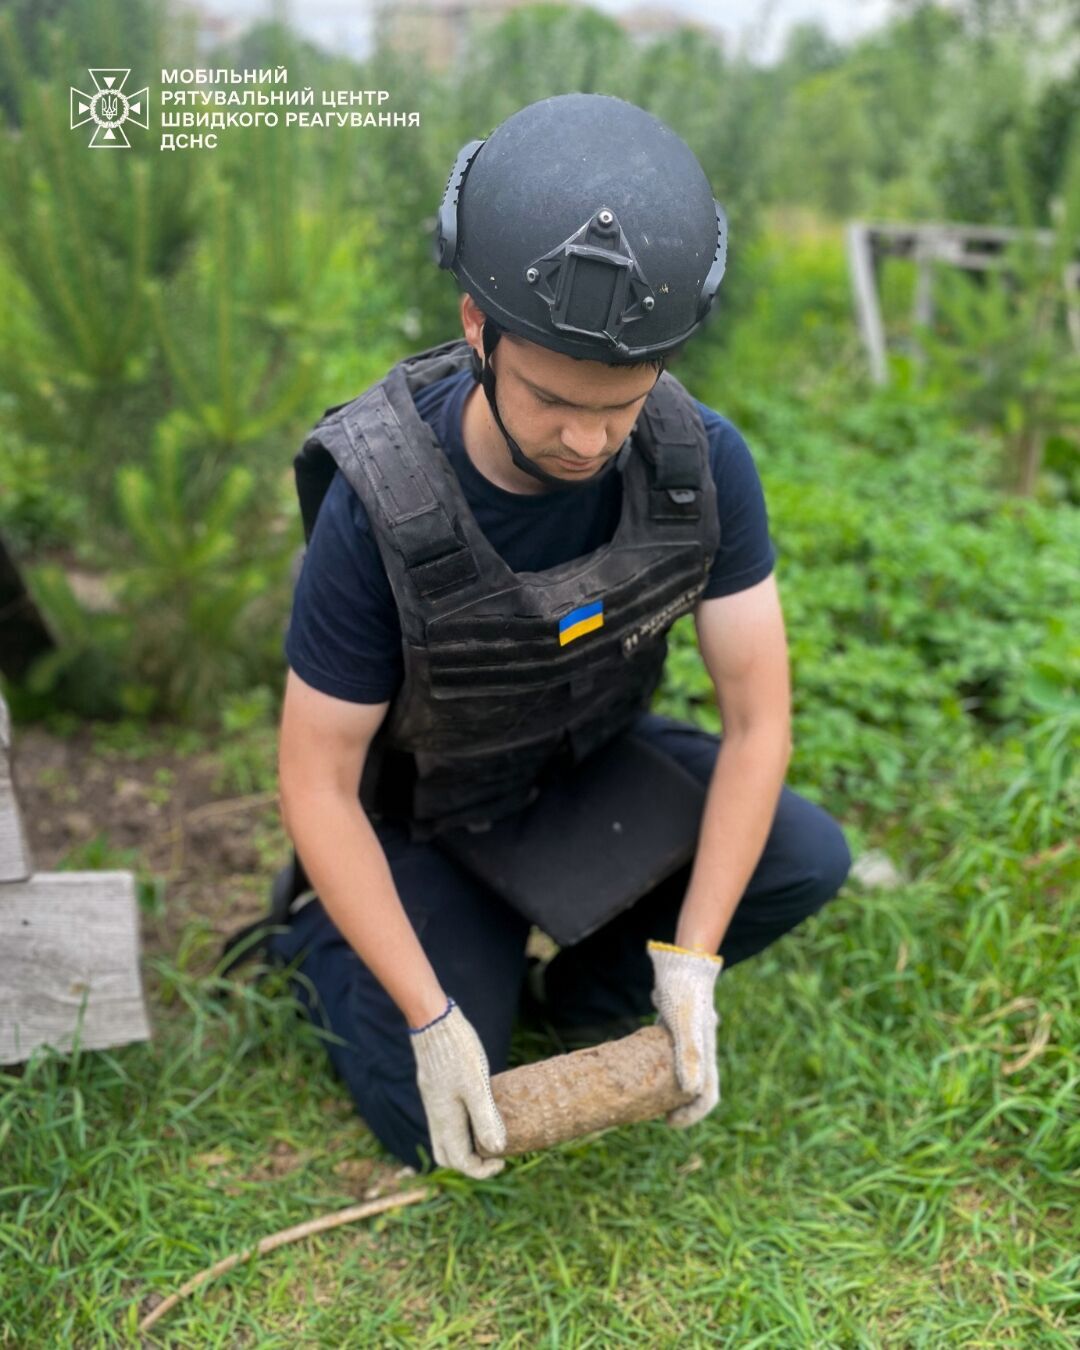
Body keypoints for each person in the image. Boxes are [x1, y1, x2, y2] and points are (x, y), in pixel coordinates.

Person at [269, 93, 851, 1180]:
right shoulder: (380, 498)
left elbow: (760, 721)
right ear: (478, 329)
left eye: (620, 404)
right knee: (427, 1121)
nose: (588, 438)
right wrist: (429, 1015)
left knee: (805, 855)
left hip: (583, 768)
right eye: (551, 400)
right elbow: (315, 781)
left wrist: (691, 965)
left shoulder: (701, 463)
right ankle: (323, 947)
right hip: (429, 818)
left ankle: (592, 993)